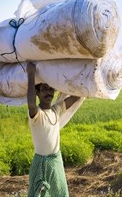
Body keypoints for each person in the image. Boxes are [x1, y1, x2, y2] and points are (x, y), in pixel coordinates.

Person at [26, 62, 83, 197]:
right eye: (44, 89)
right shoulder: (36, 114)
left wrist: (81, 77)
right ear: (37, 93)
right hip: (41, 163)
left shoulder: (56, 110)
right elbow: (31, 103)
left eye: (51, 89)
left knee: (60, 194)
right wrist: (31, 74)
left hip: (56, 161)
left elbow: (75, 97)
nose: (49, 92)